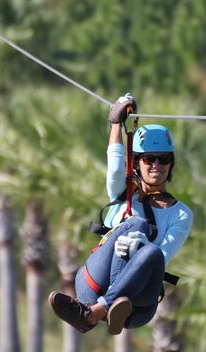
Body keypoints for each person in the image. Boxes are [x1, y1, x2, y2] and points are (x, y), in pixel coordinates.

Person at [49, 94, 193, 335]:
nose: (156, 165)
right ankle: (101, 306)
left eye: (163, 160)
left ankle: (96, 312)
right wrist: (116, 123)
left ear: (171, 164)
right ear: (136, 163)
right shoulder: (123, 192)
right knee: (136, 224)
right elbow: (115, 167)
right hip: (94, 285)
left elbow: (164, 256)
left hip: (135, 306)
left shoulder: (182, 214)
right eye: (149, 159)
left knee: (153, 252)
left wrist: (142, 246)